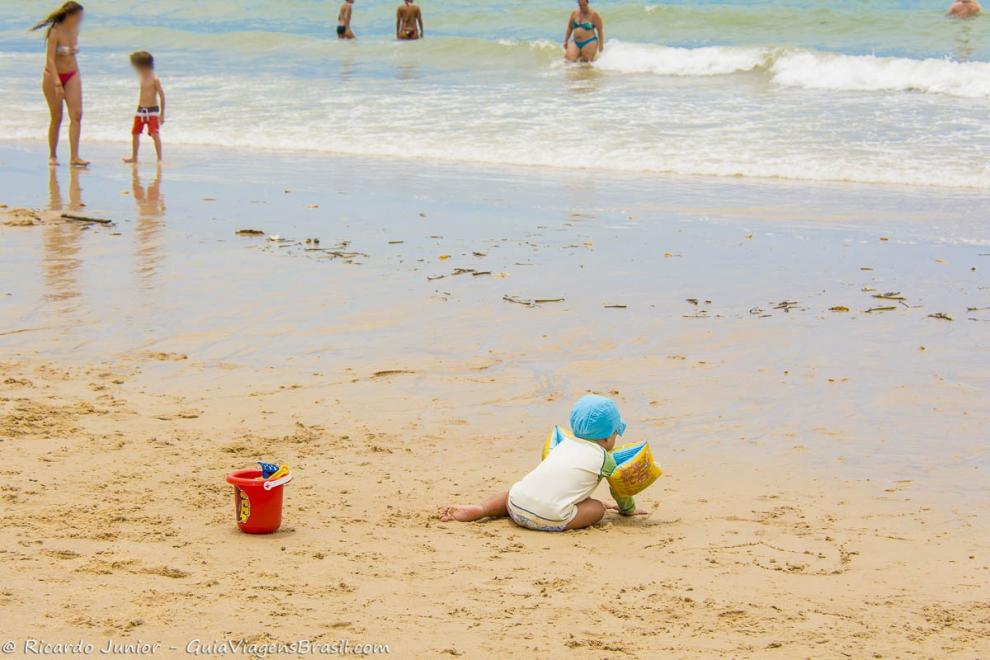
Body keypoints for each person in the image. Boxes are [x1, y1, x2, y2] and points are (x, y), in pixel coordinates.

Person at [439, 395, 650, 532]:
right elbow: (620, 490)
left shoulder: (563, 444)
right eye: (615, 433)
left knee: (513, 491)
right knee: (596, 508)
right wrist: (627, 510)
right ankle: (582, 509)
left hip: (515, 506)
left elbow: (560, 479)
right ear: (606, 438)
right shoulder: (606, 459)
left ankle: (481, 508)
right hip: (550, 519)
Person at [32, 2, 89, 167]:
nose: (81, 20)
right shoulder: (55, 31)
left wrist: (76, 75)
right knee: (57, 117)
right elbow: (50, 59)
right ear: (70, 16)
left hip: (72, 74)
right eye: (79, 17)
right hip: (52, 76)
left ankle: (74, 157)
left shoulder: (75, 30)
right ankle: (53, 155)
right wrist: (57, 82)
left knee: (77, 114)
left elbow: (71, 56)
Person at [123, 52, 165, 163]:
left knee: (155, 134)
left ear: (144, 66)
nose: (136, 69)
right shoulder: (142, 77)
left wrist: (162, 114)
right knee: (135, 133)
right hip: (140, 110)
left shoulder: (155, 79)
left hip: (152, 111)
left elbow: (162, 96)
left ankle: (159, 159)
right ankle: (134, 157)